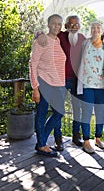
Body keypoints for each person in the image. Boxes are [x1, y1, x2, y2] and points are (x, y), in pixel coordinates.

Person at [37, 15, 86, 149]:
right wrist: (39, 34)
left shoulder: (82, 38)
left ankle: (76, 135)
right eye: (71, 24)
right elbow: (47, 35)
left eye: (77, 24)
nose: (74, 27)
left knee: (78, 108)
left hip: (77, 80)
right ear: (66, 26)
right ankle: (58, 139)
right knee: (58, 110)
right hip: (60, 79)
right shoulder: (60, 36)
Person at [29, 14, 66, 157]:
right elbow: (33, 64)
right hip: (44, 82)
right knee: (42, 113)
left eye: (59, 24)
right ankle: (42, 145)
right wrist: (35, 88)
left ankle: (41, 141)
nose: (56, 26)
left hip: (58, 85)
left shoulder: (57, 41)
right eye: (54, 23)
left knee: (59, 112)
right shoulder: (41, 41)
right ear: (48, 24)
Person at [77, 22, 104, 154]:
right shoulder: (85, 43)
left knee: (100, 113)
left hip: (102, 86)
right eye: (93, 28)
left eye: (98, 28)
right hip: (87, 84)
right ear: (90, 31)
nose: (95, 30)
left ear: (102, 31)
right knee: (87, 112)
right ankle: (86, 141)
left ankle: (98, 138)